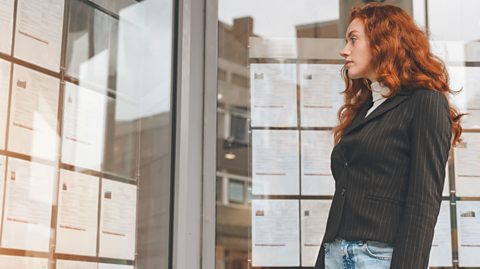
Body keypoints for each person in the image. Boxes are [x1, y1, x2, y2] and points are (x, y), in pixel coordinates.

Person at [314, 3, 463, 269]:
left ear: (384, 42)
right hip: (336, 253)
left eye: (353, 39)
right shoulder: (365, 108)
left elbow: (424, 200)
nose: (344, 50)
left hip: (378, 258)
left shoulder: (425, 102)